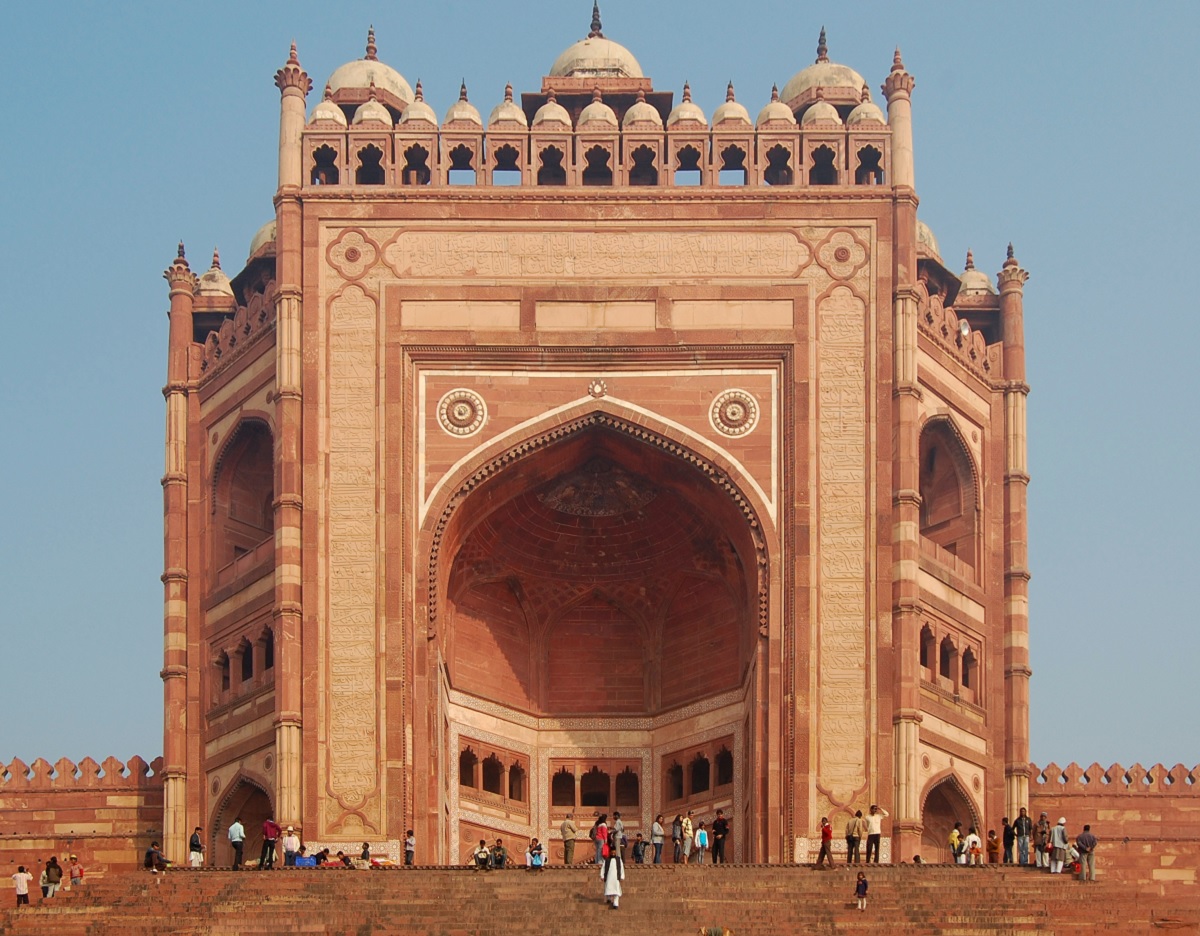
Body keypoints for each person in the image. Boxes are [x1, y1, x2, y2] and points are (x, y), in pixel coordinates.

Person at [601, 827, 625, 910]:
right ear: (610, 852)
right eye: (612, 852)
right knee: (608, 888)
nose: (613, 853)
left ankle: (615, 904)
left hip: (616, 878)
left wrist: (622, 877)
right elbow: (603, 868)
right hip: (609, 877)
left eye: (614, 852)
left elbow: (621, 868)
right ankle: (608, 898)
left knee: (616, 891)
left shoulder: (619, 860)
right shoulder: (607, 860)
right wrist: (602, 875)